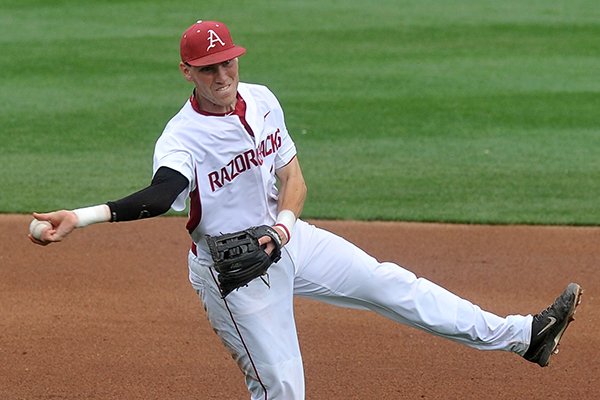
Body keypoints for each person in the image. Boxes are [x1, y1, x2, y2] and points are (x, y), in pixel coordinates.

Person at [29, 20, 583, 400]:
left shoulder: (264, 99)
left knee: (393, 285)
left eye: (227, 64)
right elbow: (158, 196)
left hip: (288, 240)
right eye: (208, 70)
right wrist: (81, 216)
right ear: (186, 72)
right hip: (235, 274)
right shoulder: (181, 138)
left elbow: (292, 176)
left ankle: (524, 335)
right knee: (283, 389)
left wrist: (283, 229)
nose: (222, 77)